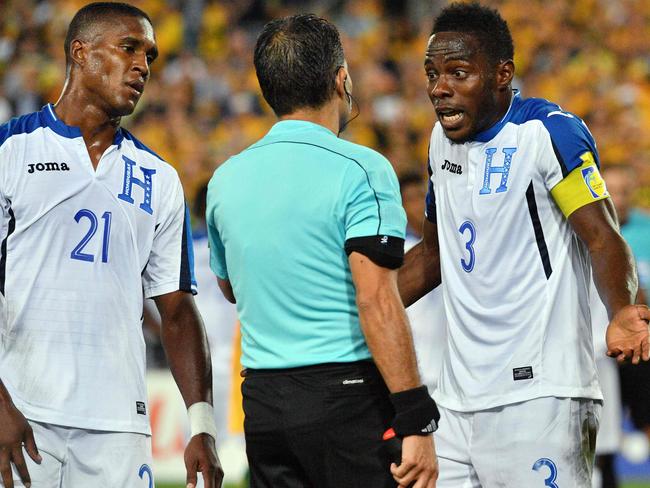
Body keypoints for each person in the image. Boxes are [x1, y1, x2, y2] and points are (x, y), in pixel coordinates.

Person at [398, 3, 650, 487]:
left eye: (458, 72)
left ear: (501, 74)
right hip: (454, 400)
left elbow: (602, 237)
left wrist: (620, 308)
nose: (438, 88)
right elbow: (435, 255)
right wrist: (355, 310)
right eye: (432, 73)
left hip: (540, 396)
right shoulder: (438, 141)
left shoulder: (548, 132)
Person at [206, 14, 438, 488]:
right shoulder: (362, 168)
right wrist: (415, 414)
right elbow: (376, 300)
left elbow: (229, 287)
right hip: (348, 399)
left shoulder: (224, 179)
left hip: (265, 404)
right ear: (341, 79)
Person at [0, 3, 223, 487]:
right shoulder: (10, 151)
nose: (143, 65)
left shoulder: (160, 179)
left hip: (118, 427)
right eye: (129, 48)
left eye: (151, 56)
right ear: (80, 52)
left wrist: (202, 426)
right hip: (21, 412)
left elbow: (178, 309)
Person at [399, 171, 446, 393]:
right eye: (412, 199)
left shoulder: (448, 246)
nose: (419, 205)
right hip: (419, 376)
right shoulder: (401, 253)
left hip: (448, 376)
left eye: (423, 197)